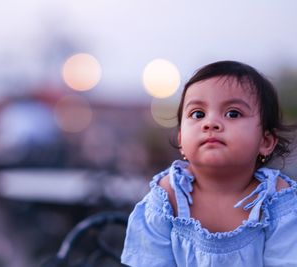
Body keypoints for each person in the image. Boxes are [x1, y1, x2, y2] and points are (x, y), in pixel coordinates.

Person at [121, 60, 297, 266]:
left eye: (233, 113)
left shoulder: (278, 203)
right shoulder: (167, 199)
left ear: (265, 142)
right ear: (181, 140)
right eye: (198, 114)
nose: (210, 123)